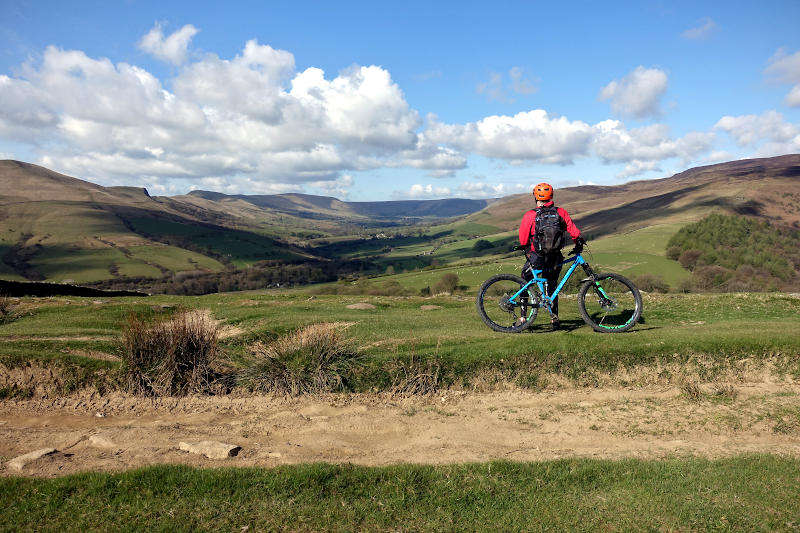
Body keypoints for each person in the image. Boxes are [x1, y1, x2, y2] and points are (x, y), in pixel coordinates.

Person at [518, 182, 585, 330]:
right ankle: (554, 319)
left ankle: (523, 317)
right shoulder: (561, 213)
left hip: (537, 256)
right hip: (555, 256)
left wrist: (528, 248)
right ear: (552, 196)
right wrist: (578, 243)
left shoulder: (531, 215)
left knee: (525, 281)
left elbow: (523, 240)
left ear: (535, 197)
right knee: (552, 286)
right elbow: (574, 232)